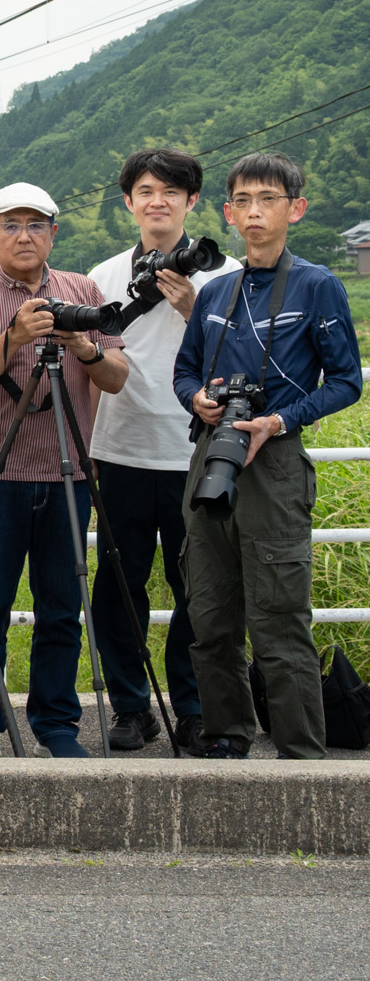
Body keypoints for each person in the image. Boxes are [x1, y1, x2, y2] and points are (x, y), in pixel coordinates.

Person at [174, 152, 361, 761]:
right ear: (228, 213)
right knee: (209, 615)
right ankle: (227, 736)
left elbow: (346, 381)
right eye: (243, 202)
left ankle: (301, 754)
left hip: (275, 462)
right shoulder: (215, 292)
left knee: (280, 620)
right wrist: (198, 401)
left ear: (294, 209)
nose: (254, 213)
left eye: (268, 200)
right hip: (211, 453)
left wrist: (281, 418)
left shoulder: (317, 284)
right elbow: (183, 373)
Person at [0, 183, 127, 758]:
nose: (24, 236)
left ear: (54, 231)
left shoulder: (84, 291)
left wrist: (82, 344)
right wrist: (16, 336)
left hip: (68, 472)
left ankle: (57, 725)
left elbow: (117, 377)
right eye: (10, 225)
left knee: (61, 609)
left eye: (36, 225)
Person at [85, 149, 236, 754]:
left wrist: (193, 308)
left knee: (195, 587)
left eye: (172, 191)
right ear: (128, 201)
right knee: (119, 586)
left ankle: (194, 707)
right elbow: (90, 357)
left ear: (191, 202)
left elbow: (244, 358)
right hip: (119, 446)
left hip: (192, 453)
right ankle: (130, 707)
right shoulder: (101, 273)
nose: (158, 201)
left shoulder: (220, 280)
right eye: (145, 190)